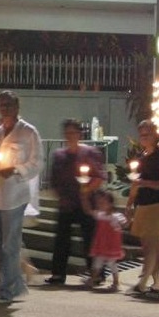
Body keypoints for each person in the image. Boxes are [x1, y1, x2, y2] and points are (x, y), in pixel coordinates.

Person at [0, 91, 42, 305]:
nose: (5, 109)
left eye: (9, 105)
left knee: (11, 245)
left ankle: (7, 290)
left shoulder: (28, 132)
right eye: (2, 105)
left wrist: (15, 169)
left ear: (17, 107)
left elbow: (36, 164)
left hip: (16, 196)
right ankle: (15, 285)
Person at [45, 119, 105, 285]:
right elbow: (54, 179)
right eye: (67, 133)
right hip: (67, 202)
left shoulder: (90, 153)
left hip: (86, 203)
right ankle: (58, 273)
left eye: (73, 133)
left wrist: (87, 189)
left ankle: (97, 272)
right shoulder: (59, 155)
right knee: (62, 238)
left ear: (79, 134)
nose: (70, 136)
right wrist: (60, 195)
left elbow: (99, 176)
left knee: (90, 238)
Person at [126, 120, 159, 296]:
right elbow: (135, 183)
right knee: (147, 246)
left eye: (148, 134)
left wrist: (145, 182)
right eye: (142, 135)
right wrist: (129, 204)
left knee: (152, 245)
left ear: (155, 135)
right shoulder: (141, 156)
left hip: (157, 205)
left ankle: (144, 281)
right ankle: (157, 281)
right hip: (143, 205)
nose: (144, 137)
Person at [85, 190, 127, 291]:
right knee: (97, 262)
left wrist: (129, 216)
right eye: (99, 203)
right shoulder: (100, 215)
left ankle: (116, 282)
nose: (100, 205)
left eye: (103, 203)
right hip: (101, 244)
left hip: (111, 245)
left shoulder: (116, 217)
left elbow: (125, 224)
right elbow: (88, 211)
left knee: (111, 263)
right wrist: (84, 196)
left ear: (110, 204)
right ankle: (93, 278)